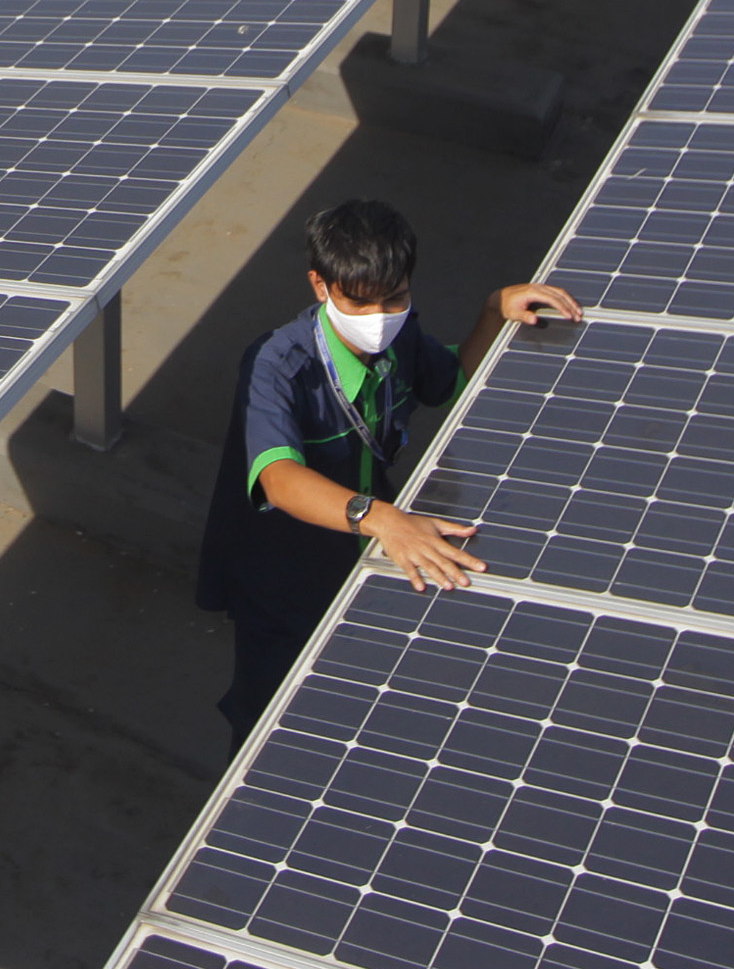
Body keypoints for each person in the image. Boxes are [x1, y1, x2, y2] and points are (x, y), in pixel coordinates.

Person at [196, 198, 581, 734]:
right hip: (285, 576)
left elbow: (446, 382)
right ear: (320, 285)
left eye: (394, 299)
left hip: (368, 550)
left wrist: (494, 309)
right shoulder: (276, 367)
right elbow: (278, 479)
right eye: (358, 303)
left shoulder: (400, 337)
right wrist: (382, 518)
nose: (379, 319)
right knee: (272, 710)